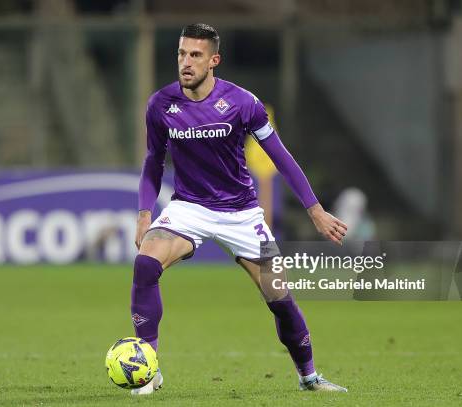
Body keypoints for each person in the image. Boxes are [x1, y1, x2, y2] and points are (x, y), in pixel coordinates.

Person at [131, 23, 348, 395]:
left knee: (279, 298)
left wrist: (315, 210)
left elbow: (281, 157)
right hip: (189, 208)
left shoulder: (243, 103)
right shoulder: (161, 105)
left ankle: (309, 377)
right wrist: (144, 214)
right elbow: (154, 161)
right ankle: (148, 367)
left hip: (243, 214)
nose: (186, 62)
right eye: (182, 54)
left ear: (214, 60)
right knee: (146, 263)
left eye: (195, 55)